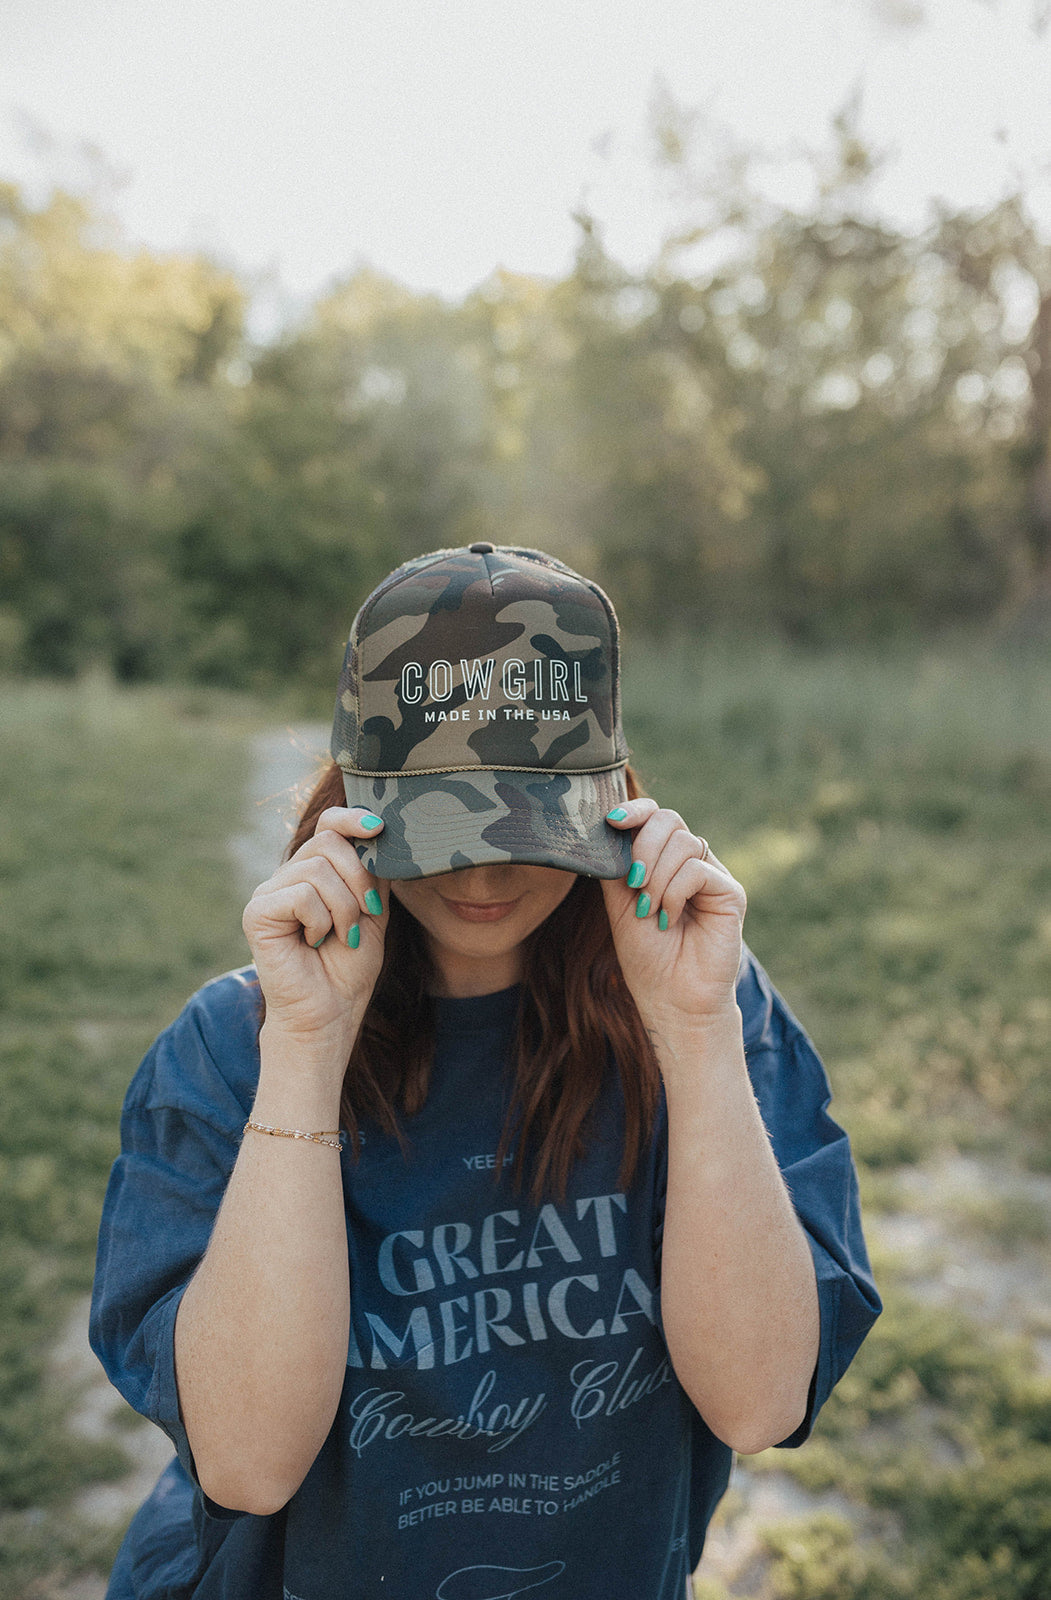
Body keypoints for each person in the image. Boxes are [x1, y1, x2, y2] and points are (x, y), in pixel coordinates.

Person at [90, 543, 880, 1600]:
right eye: (440, 822)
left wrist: (693, 1031)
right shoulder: (234, 1046)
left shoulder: (708, 1009)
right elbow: (247, 1461)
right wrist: (306, 1050)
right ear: (350, 798)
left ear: (613, 801)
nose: (485, 868)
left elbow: (758, 1401)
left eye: (530, 819)